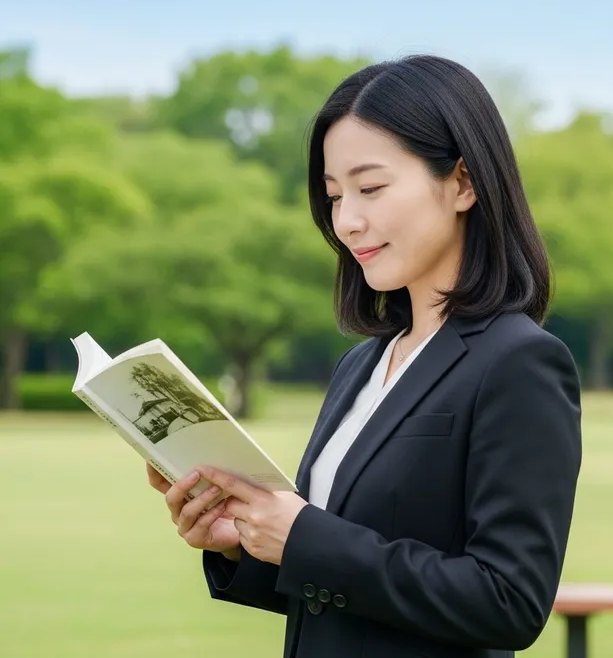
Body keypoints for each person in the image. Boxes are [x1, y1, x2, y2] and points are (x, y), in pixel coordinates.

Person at [146, 55, 582, 658]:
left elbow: (509, 601)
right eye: (333, 195)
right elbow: (337, 584)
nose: (347, 221)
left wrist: (303, 537)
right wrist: (238, 544)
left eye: (371, 188)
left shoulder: (520, 364)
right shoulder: (361, 366)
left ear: (462, 182)